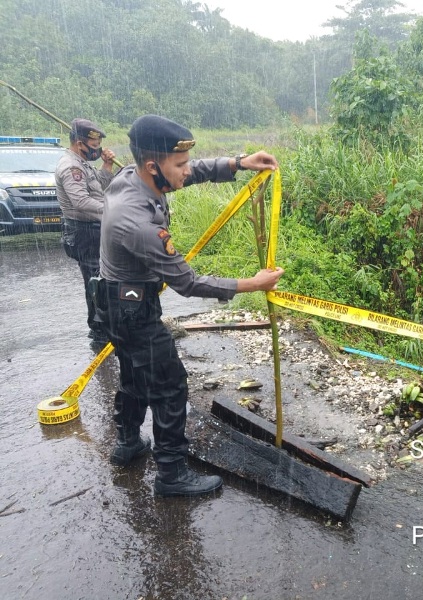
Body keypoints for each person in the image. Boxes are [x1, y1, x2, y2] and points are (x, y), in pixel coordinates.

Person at [94, 114, 284, 497]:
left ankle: (129, 443)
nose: (185, 171)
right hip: (132, 308)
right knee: (168, 385)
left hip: (114, 300)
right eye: (177, 165)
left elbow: (192, 170)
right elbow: (188, 282)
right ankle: (171, 476)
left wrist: (239, 162)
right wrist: (252, 283)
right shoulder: (136, 222)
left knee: (133, 375)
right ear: (153, 167)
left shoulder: (134, 176)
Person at [55, 118, 118, 345]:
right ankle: (99, 330)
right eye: (94, 144)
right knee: (95, 281)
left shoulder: (82, 162)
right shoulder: (71, 167)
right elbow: (81, 201)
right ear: (80, 143)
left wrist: (107, 166)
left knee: (102, 277)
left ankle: (106, 323)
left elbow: (98, 187)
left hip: (93, 229)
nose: (97, 148)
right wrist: (112, 211)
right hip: (83, 233)